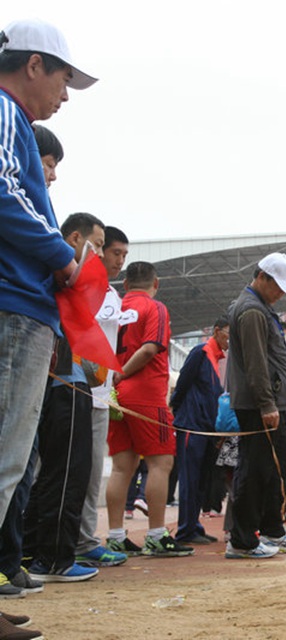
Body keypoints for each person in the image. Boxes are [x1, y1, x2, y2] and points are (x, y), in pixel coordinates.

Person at [0, 19, 95, 609]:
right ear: (33, 65)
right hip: (13, 306)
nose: (64, 94)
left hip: (20, 306)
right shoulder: (8, 113)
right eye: (63, 78)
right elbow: (3, 192)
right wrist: (64, 258)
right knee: (5, 458)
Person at [21, 213, 105, 582]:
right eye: (98, 244)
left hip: (71, 383)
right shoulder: (60, 277)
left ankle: (31, 551)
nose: (100, 254)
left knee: (54, 471)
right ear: (74, 238)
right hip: (65, 386)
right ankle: (54, 559)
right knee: (68, 471)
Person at [103, 262, 192, 557]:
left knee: (121, 467)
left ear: (125, 284)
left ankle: (115, 535)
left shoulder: (113, 307)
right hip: (145, 392)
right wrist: (124, 372)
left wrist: (115, 376)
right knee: (160, 464)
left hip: (116, 396)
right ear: (156, 282)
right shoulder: (155, 308)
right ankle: (156, 534)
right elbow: (151, 347)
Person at [224, 253, 286, 559]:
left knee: (272, 470)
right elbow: (257, 364)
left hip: (270, 403)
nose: (281, 293)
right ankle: (242, 540)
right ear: (262, 277)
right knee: (254, 469)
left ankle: (272, 528)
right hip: (259, 405)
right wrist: (266, 404)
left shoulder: (261, 308)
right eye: (278, 286)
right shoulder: (252, 312)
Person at [75, 226, 130, 568]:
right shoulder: (82, 286)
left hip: (99, 395)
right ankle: (70, 542)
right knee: (71, 471)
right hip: (75, 389)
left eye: (125, 255)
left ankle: (83, 539)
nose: (120, 261)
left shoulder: (113, 294)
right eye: (114, 253)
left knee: (93, 472)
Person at [170, 317, 229, 546]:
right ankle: (185, 529)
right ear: (216, 331)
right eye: (227, 335)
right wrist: (178, 410)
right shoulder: (201, 352)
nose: (229, 341)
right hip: (191, 427)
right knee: (190, 479)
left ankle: (194, 525)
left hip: (207, 429)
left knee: (202, 480)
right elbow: (183, 383)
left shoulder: (215, 360)